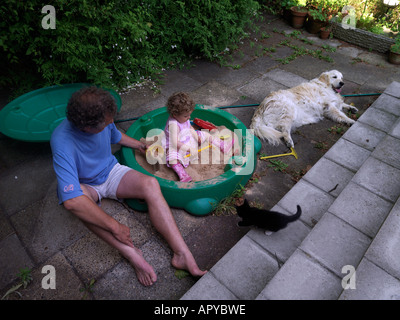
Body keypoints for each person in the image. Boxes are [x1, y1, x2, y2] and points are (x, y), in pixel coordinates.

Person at [50, 86, 206, 286]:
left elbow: (116, 136)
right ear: (86, 127)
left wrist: (140, 145)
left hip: (111, 171)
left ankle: (181, 253)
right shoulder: (62, 141)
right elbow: (72, 201)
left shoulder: (104, 119)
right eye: (106, 122)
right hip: (86, 185)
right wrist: (115, 226)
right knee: (80, 205)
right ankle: (132, 255)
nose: (111, 123)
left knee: (150, 184)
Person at [164, 92, 233, 182]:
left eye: (189, 115)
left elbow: (190, 127)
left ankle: (221, 144)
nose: (189, 117)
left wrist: (196, 136)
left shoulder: (183, 118)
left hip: (188, 138)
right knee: (172, 157)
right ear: (174, 115)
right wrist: (189, 149)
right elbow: (175, 142)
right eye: (186, 116)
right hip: (178, 145)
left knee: (205, 134)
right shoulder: (173, 125)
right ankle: (182, 174)